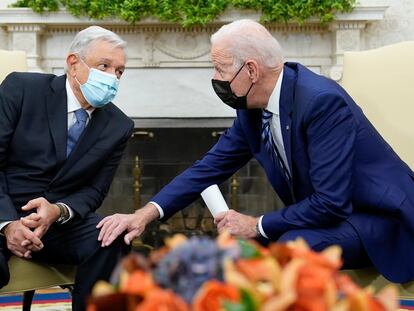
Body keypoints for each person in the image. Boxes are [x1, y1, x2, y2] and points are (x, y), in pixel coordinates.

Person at [97, 20, 414, 283]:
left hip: (378, 219)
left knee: (287, 247)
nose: (215, 79)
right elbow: (206, 169)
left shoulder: (320, 102)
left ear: (251, 70)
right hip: (330, 216)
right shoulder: (252, 110)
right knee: (232, 254)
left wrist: (256, 225)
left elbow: (331, 203)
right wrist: (144, 214)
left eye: (220, 70)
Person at [0, 26, 134, 310]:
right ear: (74, 63)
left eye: (119, 71)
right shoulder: (22, 89)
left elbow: (95, 190)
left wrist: (58, 211)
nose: (113, 77)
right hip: (4, 207)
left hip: (58, 223)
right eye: (104, 66)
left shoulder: (119, 125)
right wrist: (8, 223)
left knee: (113, 237)